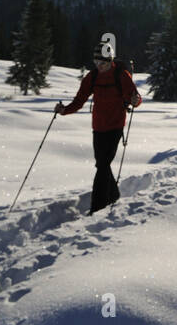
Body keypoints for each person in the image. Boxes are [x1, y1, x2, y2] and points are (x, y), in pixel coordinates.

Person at [57, 43, 142, 214]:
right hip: (98, 126)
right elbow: (79, 100)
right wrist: (64, 110)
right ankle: (113, 194)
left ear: (110, 61)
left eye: (102, 63)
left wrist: (135, 101)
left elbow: (135, 97)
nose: (99, 66)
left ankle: (97, 206)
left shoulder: (121, 75)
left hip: (116, 126)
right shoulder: (93, 77)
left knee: (103, 165)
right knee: (101, 164)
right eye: (96, 63)